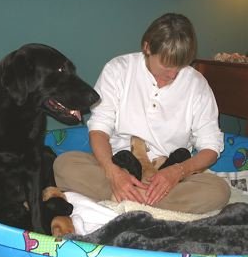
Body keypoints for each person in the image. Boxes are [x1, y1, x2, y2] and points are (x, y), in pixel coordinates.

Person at [54, 13, 230, 214]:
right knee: (64, 164)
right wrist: (114, 174)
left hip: (171, 175)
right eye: (166, 66)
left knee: (218, 190)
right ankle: (141, 199)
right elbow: (99, 128)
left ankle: (128, 200)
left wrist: (178, 171)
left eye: (180, 67)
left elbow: (211, 147)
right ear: (147, 47)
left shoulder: (197, 84)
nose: (173, 75)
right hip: (120, 165)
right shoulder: (118, 70)